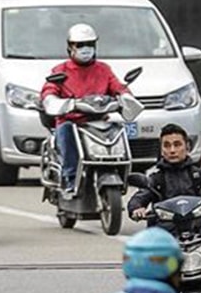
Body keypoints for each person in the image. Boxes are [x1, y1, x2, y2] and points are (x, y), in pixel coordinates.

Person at [40, 23, 132, 193]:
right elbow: (49, 89)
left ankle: (120, 171)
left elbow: (117, 86)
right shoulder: (61, 70)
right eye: (80, 45)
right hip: (71, 122)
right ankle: (70, 177)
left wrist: (125, 96)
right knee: (65, 131)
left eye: (90, 44)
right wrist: (53, 100)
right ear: (70, 47)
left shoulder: (103, 69)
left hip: (98, 121)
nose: (86, 49)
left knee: (118, 130)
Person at [129, 123, 201, 264]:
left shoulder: (198, 175)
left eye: (177, 144)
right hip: (164, 233)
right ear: (161, 150)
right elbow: (139, 197)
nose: (172, 150)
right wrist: (137, 208)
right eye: (167, 145)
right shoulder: (155, 179)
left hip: (197, 229)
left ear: (187, 147)